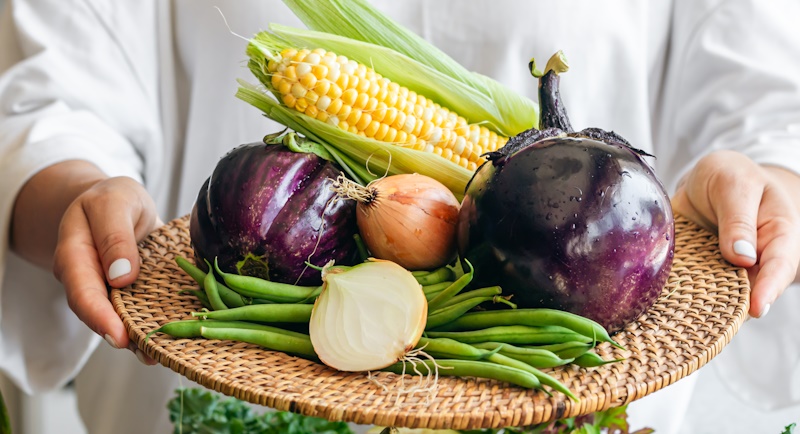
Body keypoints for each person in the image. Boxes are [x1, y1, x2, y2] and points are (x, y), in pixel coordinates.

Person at [1, 0, 799, 432]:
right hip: (230, 375)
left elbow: (766, 100)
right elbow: (58, 90)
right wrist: (76, 189)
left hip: (574, 368)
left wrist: (765, 183)